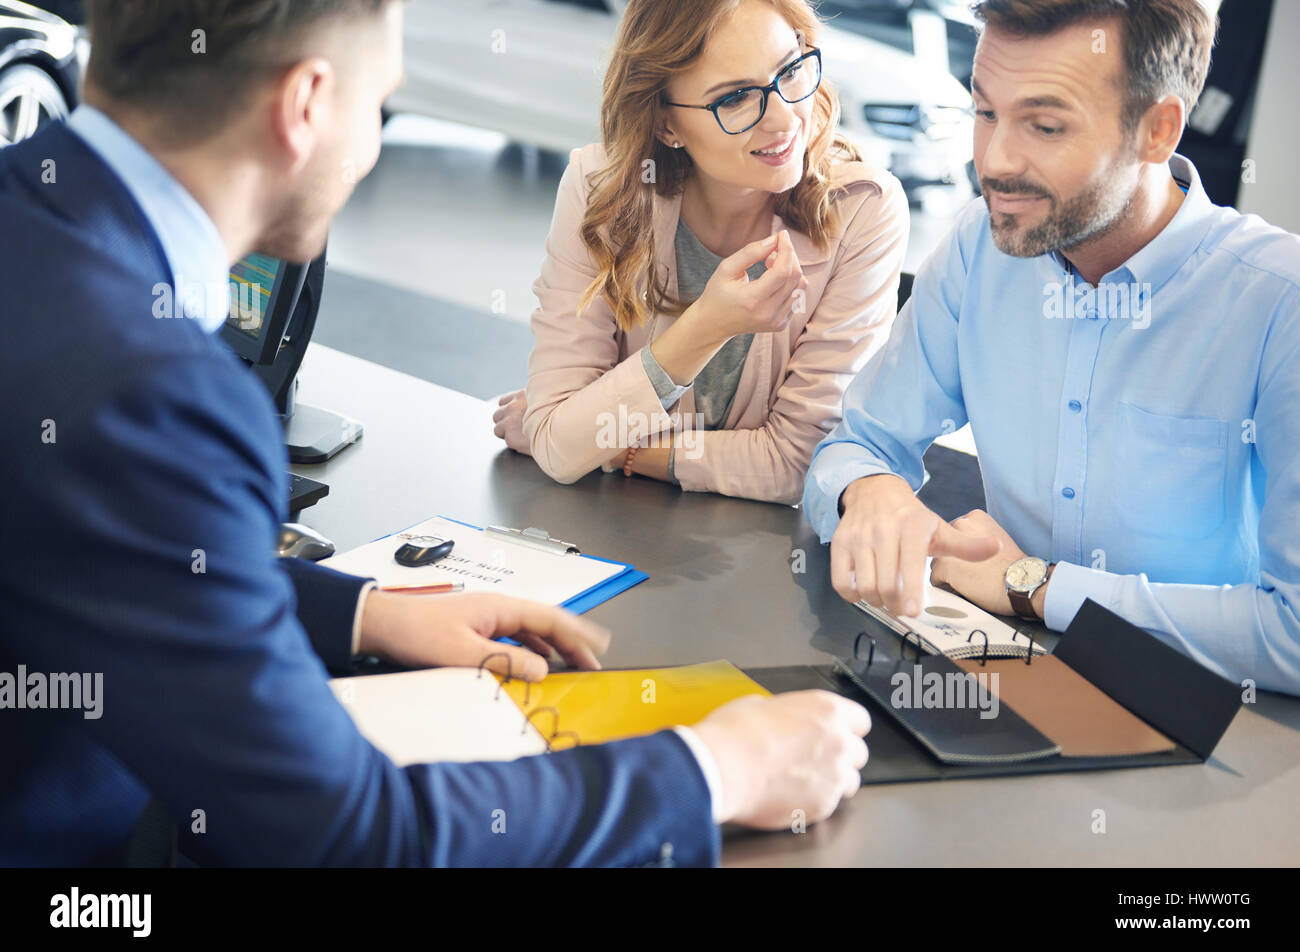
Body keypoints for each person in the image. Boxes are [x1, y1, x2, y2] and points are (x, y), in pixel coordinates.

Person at [0, 0, 870, 867]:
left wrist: (366, 613)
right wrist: (715, 768)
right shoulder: (161, 396)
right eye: (378, 105)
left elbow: (107, 552)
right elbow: (350, 832)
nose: (374, 147)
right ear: (306, 107)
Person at [804, 0, 1300, 695]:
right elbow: (855, 443)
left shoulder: (1279, 301)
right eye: (985, 113)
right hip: (999, 684)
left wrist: (1037, 587)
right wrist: (872, 489)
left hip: (1203, 729)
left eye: (1044, 125)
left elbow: (1295, 630)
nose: (994, 162)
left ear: (1157, 130)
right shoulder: (981, 246)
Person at [492, 0, 908, 505]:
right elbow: (559, 442)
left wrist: (613, 450)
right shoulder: (600, 190)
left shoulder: (862, 210)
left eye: (789, 70)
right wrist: (707, 326)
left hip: (759, 561)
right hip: (613, 538)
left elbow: (798, 461)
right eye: (734, 97)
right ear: (666, 125)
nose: (784, 119)